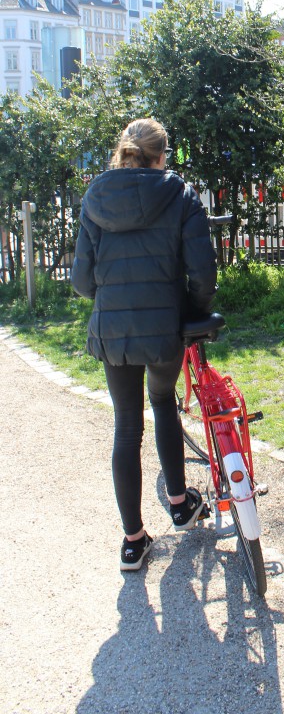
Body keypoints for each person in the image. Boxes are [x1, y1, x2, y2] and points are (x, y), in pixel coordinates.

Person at [72, 118, 217, 571]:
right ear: (162, 154)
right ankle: (179, 503)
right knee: (163, 403)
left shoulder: (96, 198)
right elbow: (204, 273)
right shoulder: (179, 194)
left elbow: (80, 280)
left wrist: (113, 299)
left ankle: (133, 542)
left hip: (113, 331)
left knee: (126, 426)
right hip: (164, 328)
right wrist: (188, 310)